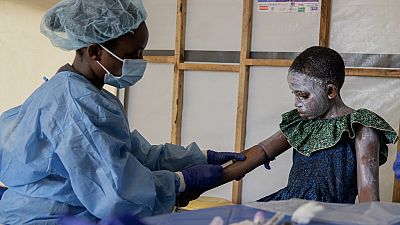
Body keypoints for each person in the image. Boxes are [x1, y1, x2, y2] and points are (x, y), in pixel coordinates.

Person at [0, 0, 245, 224]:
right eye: (133, 55)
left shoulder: (85, 93)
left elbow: (135, 155)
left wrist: (201, 157)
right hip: (48, 218)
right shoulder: (76, 104)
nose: (140, 61)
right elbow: (116, 193)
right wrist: (181, 182)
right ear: (95, 51)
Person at [202, 46, 398, 204]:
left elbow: (367, 193)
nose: (297, 102)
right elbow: (262, 150)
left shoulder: (359, 127)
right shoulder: (301, 122)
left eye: (303, 95)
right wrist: (203, 182)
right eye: (294, 94)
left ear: (330, 91)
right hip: (288, 206)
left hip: (328, 215)